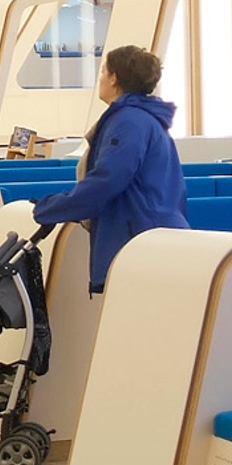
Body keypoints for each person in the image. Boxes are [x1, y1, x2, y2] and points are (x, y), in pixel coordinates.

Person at [26, 43, 183, 294]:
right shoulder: (145, 119)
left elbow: (108, 180)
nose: (100, 79)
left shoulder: (129, 121)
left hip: (137, 244)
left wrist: (51, 207)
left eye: (103, 72)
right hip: (150, 237)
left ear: (114, 79)